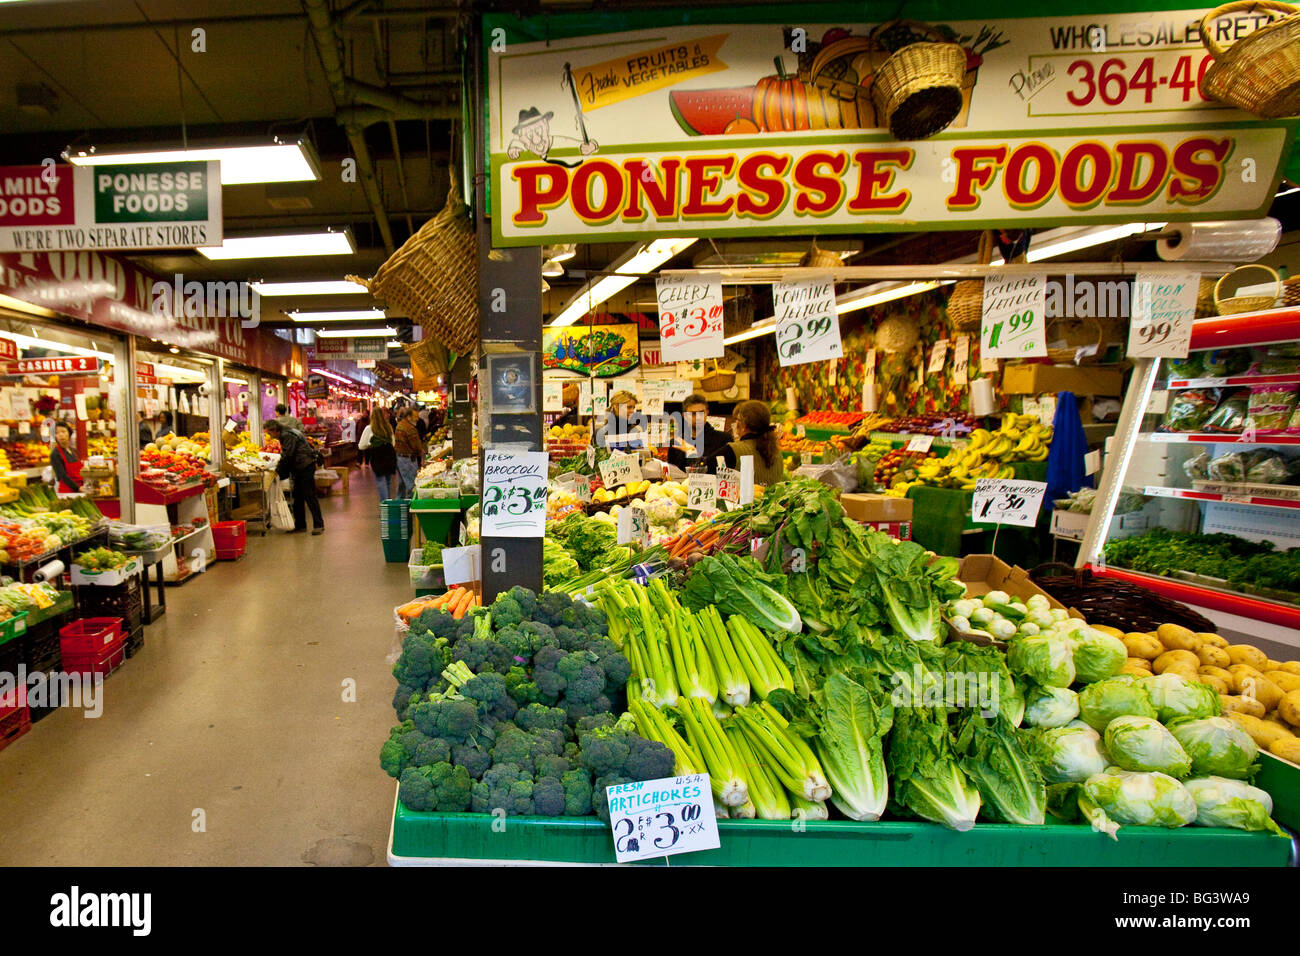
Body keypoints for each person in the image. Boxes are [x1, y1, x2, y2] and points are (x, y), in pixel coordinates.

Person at [265, 420, 324, 535]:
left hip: (304, 466)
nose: (270, 436)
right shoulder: (288, 432)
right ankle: (300, 525)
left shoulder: (287, 435)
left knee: (309, 495)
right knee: (298, 496)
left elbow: (288, 455)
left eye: (270, 433)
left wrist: (278, 472)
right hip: (301, 466)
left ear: (275, 430)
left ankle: (319, 525)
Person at [720, 399, 786, 486]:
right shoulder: (777, 453)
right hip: (773, 499)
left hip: (745, 499)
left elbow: (702, 469)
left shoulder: (732, 450)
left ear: (744, 426)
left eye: (738, 420)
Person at [668, 393, 729, 473]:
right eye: (693, 414)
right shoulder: (676, 443)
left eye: (701, 412)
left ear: (707, 412)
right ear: (684, 416)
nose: (698, 417)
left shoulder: (723, 439)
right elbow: (672, 474)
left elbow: (726, 472)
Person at [359, 408, 397, 500]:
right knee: (388, 482)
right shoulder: (388, 427)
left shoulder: (369, 428)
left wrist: (371, 444)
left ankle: (385, 505)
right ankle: (388, 505)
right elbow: (393, 443)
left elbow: (361, 446)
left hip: (377, 457)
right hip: (390, 456)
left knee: (380, 482)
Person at [393, 407, 424, 498]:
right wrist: (421, 453)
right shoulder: (410, 428)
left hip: (400, 457)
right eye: (414, 416)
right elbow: (416, 445)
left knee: (401, 484)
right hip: (408, 459)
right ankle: (412, 506)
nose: (416, 418)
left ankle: (399, 505)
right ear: (408, 416)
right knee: (412, 485)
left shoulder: (400, 425)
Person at [50, 421, 82, 493]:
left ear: (69, 433)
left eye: (63, 431)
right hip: (67, 490)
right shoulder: (55, 454)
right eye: (57, 433)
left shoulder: (74, 451)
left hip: (80, 487)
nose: (61, 435)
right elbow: (62, 475)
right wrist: (77, 488)